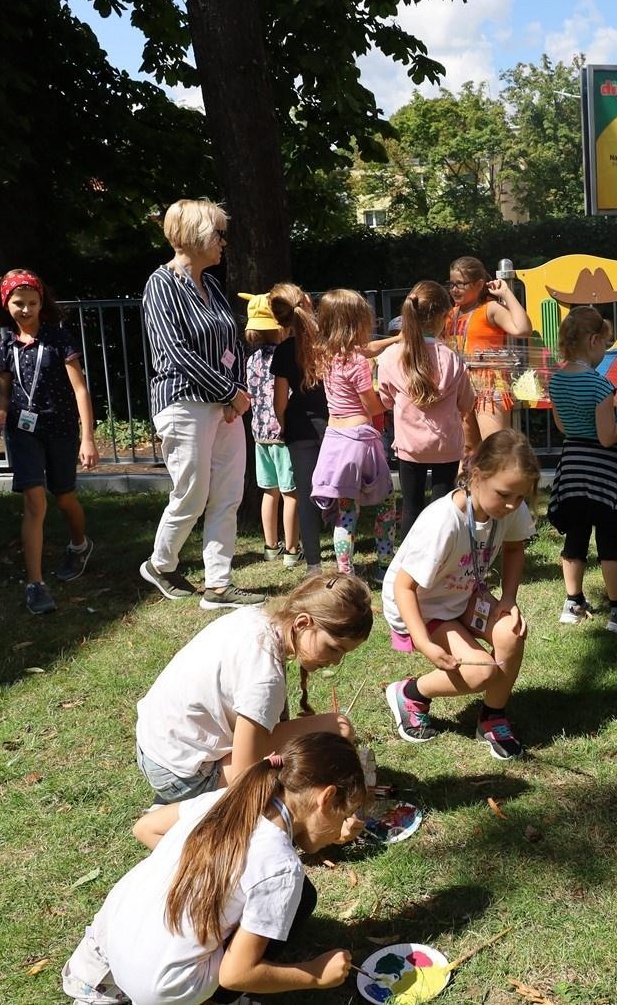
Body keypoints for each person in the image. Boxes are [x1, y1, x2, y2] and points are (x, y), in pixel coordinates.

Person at [62, 731, 364, 1005]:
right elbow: (236, 974)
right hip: (162, 988)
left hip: (108, 945)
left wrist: (197, 870)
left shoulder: (226, 800)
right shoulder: (281, 867)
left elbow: (145, 827)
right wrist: (315, 974)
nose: (342, 826)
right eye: (344, 815)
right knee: (296, 901)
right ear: (326, 798)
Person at [134, 572, 372, 804]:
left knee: (322, 736)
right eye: (334, 648)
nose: (336, 661)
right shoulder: (264, 678)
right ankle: (187, 808)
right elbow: (244, 776)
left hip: (155, 748)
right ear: (302, 623)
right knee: (336, 728)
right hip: (184, 776)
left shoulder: (254, 618)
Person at [383, 430, 538, 761]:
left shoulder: (510, 506)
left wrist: (508, 600)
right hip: (422, 606)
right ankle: (410, 693)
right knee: (481, 671)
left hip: (462, 592)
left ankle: (492, 717)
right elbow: (404, 587)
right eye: (504, 495)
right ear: (477, 475)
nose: (512, 505)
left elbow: (514, 549)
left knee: (510, 634)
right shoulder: (444, 521)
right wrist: (424, 642)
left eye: (520, 497)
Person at [139, 198, 263, 610]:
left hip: (224, 406)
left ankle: (219, 585)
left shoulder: (211, 287)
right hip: (184, 403)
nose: (224, 242)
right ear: (195, 235)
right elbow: (176, 352)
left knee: (228, 494)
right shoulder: (161, 284)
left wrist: (235, 393)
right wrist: (229, 393)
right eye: (218, 234)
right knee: (192, 493)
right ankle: (160, 564)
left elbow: (233, 346)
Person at [0, 270, 98, 615]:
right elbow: (6, 392)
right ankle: (35, 584)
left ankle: (79, 545)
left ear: (41, 303)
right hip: (23, 432)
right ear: (6, 304)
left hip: (61, 428)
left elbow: (80, 390)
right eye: (18, 303)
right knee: (35, 501)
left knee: (64, 497)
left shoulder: (58, 339)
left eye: (32, 303)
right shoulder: (5, 346)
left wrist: (88, 438)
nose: (26, 310)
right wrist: (2, 409)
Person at [547, 306, 617, 632]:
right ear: (593, 341)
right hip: (602, 473)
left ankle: (573, 603)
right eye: (605, 343)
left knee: (575, 536)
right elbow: (607, 437)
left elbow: (563, 427)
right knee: (609, 542)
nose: (605, 350)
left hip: (572, 469)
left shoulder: (556, 381)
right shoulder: (600, 386)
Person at [377, 281, 477, 541]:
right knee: (443, 508)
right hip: (446, 445)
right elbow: (467, 403)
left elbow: (386, 400)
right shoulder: (452, 359)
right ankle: (441, 556)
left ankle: (408, 559)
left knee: (411, 506)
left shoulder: (390, 357)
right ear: (443, 316)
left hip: (410, 446)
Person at [311, 289, 397, 578]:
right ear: (356, 323)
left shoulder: (326, 355)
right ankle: (384, 565)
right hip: (360, 440)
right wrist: (390, 399)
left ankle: (345, 572)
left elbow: (368, 349)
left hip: (335, 440)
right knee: (386, 503)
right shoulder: (357, 362)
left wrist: (396, 339)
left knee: (346, 510)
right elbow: (371, 405)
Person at [269, 285, 329, 576]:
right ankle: (346, 557)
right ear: (307, 301)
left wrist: (284, 425)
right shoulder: (328, 343)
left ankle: (313, 565)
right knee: (341, 492)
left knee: (306, 495)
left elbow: (279, 401)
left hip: (300, 429)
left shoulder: (283, 350)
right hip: (334, 425)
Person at [240, 291, 300, 566]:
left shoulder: (251, 359)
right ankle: (292, 550)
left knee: (269, 490)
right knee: (291, 493)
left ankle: (270, 546)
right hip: (283, 433)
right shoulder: (286, 356)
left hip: (259, 434)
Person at [447, 256, 531, 439]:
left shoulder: (490, 308)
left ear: (479, 285)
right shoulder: (450, 314)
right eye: (451, 284)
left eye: (460, 284)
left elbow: (523, 329)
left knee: (493, 446)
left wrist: (506, 293)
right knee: (467, 451)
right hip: (460, 386)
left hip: (489, 387)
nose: (454, 289)